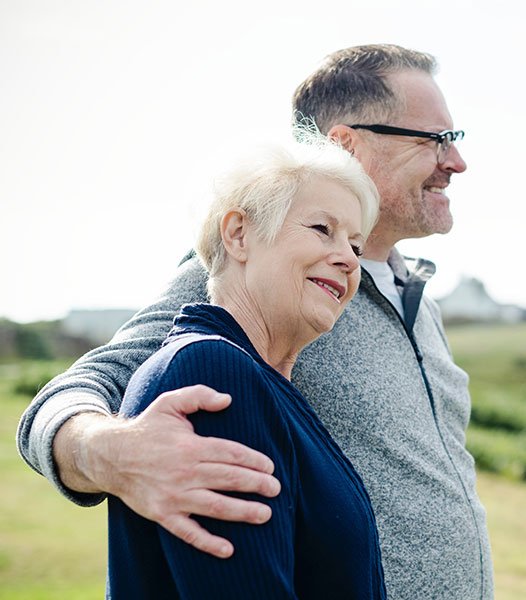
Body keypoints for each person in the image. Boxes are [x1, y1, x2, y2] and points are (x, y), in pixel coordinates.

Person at [18, 44, 494, 599]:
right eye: (434, 139)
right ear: (345, 144)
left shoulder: (419, 299)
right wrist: (109, 453)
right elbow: (82, 388)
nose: (454, 162)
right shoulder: (257, 272)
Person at [107, 137, 385, 599]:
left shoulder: (267, 387)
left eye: (355, 245)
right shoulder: (213, 372)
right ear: (238, 234)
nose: (349, 259)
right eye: (322, 228)